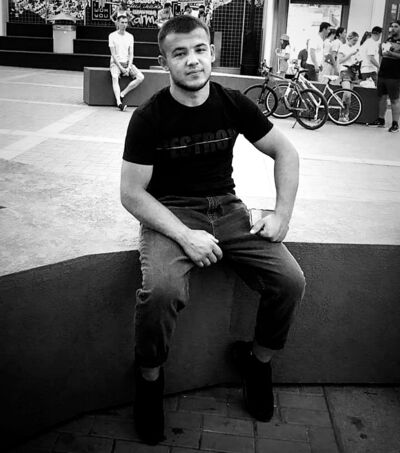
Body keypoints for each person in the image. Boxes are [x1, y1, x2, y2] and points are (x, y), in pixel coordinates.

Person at [120, 15, 305, 446]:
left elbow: (286, 152)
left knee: (289, 280)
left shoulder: (232, 103)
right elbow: (131, 194)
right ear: (164, 62)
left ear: (212, 53)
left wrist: (282, 215)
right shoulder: (149, 117)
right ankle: (149, 380)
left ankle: (257, 363)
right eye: (180, 53)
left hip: (227, 209)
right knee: (162, 291)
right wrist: (185, 236)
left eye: (199, 50)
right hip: (171, 212)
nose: (192, 60)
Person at [109, 15, 145, 111]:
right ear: (117, 23)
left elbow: (131, 54)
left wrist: (128, 67)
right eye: (122, 22)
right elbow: (113, 54)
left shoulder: (130, 36)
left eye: (126, 23)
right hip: (115, 63)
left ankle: (122, 94)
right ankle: (119, 103)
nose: (124, 25)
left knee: (141, 77)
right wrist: (121, 68)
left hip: (127, 63)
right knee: (114, 77)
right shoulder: (112, 36)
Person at [369, 20, 400, 132]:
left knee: (394, 99)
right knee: (382, 97)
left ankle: (395, 124)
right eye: (392, 26)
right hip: (383, 73)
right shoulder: (388, 40)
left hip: (394, 75)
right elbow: (382, 54)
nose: (393, 28)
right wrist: (381, 50)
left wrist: (391, 53)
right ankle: (380, 120)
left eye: (396, 26)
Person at [337, 31, 360, 122]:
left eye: (356, 41)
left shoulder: (355, 49)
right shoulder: (343, 47)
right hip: (344, 70)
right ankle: (342, 114)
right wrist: (350, 54)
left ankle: (346, 114)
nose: (355, 42)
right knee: (347, 93)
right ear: (349, 39)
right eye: (354, 40)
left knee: (349, 95)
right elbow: (340, 60)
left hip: (353, 71)